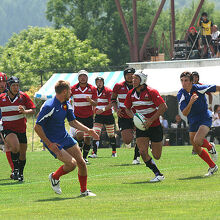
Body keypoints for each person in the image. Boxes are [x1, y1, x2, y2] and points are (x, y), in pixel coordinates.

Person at [35, 80, 98, 196]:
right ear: (64, 91)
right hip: (53, 142)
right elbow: (37, 127)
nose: (71, 91)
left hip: (65, 137)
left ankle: (84, 191)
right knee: (72, 164)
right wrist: (49, 143)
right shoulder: (49, 106)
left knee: (81, 163)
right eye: (70, 90)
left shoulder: (66, 103)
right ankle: (54, 177)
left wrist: (88, 130)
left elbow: (72, 122)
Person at [124, 70, 168, 182]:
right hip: (141, 127)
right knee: (143, 151)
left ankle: (152, 144)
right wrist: (135, 118)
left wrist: (151, 120)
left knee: (157, 155)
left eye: (136, 79)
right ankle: (158, 174)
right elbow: (127, 108)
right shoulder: (130, 94)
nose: (133, 81)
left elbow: (163, 107)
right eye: (132, 79)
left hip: (155, 126)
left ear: (142, 80)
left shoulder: (152, 92)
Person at [177, 71, 219, 176]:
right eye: (182, 80)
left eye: (186, 80)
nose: (183, 83)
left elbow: (217, 88)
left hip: (205, 117)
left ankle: (210, 147)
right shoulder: (181, 94)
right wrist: (191, 102)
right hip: (192, 120)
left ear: (192, 81)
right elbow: (185, 113)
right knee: (196, 147)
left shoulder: (199, 88)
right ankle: (213, 166)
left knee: (198, 140)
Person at [0, 76, 36, 181]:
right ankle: (15, 169)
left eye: (17, 85)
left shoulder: (23, 96)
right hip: (8, 128)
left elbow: (33, 110)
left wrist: (25, 111)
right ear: (9, 86)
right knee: (15, 147)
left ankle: (20, 173)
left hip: (21, 128)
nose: (16, 88)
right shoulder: (2, 97)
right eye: (13, 85)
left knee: (23, 153)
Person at [111, 68, 141, 164]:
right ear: (124, 76)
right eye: (128, 74)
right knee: (127, 140)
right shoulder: (118, 86)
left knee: (140, 136)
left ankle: (137, 157)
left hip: (137, 115)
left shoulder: (139, 86)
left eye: (132, 74)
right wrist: (116, 109)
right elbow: (113, 99)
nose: (130, 76)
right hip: (123, 115)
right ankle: (132, 133)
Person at [71, 70, 97, 164]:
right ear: (78, 78)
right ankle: (79, 154)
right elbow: (66, 98)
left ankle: (84, 158)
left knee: (88, 139)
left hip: (89, 117)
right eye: (81, 76)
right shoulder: (73, 88)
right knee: (79, 135)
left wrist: (90, 101)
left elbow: (95, 103)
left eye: (84, 76)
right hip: (77, 117)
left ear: (87, 78)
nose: (83, 78)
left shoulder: (92, 88)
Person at [89, 76, 117, 158]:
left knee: (111, 134)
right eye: (97, 81)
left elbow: (111, 103)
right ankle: (94, 153)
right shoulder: (93, 91)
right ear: (95, 83)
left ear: (103, 82)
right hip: (98, 116)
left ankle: (114, 152)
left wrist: (103, 109)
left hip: (108, 115)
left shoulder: (108, 90)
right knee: (96, 133)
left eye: (100, 81)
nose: (99, 83)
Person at [0, 72, 14, 176]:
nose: (2, 84)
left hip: (5, 124)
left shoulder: (9, 93)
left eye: (3, 81)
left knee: (8, 146)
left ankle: (14, 170)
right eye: (0, 82)